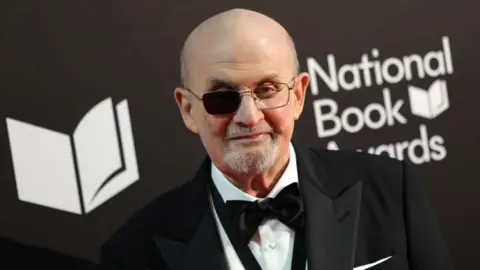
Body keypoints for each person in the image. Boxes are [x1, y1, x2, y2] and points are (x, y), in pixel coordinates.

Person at [100, 8, 454, 270]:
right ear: (188, 109)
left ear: (299, 95)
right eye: (222, 97)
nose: (249, 117)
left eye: (267, 89)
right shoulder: (134, 252)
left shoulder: (390, 191)